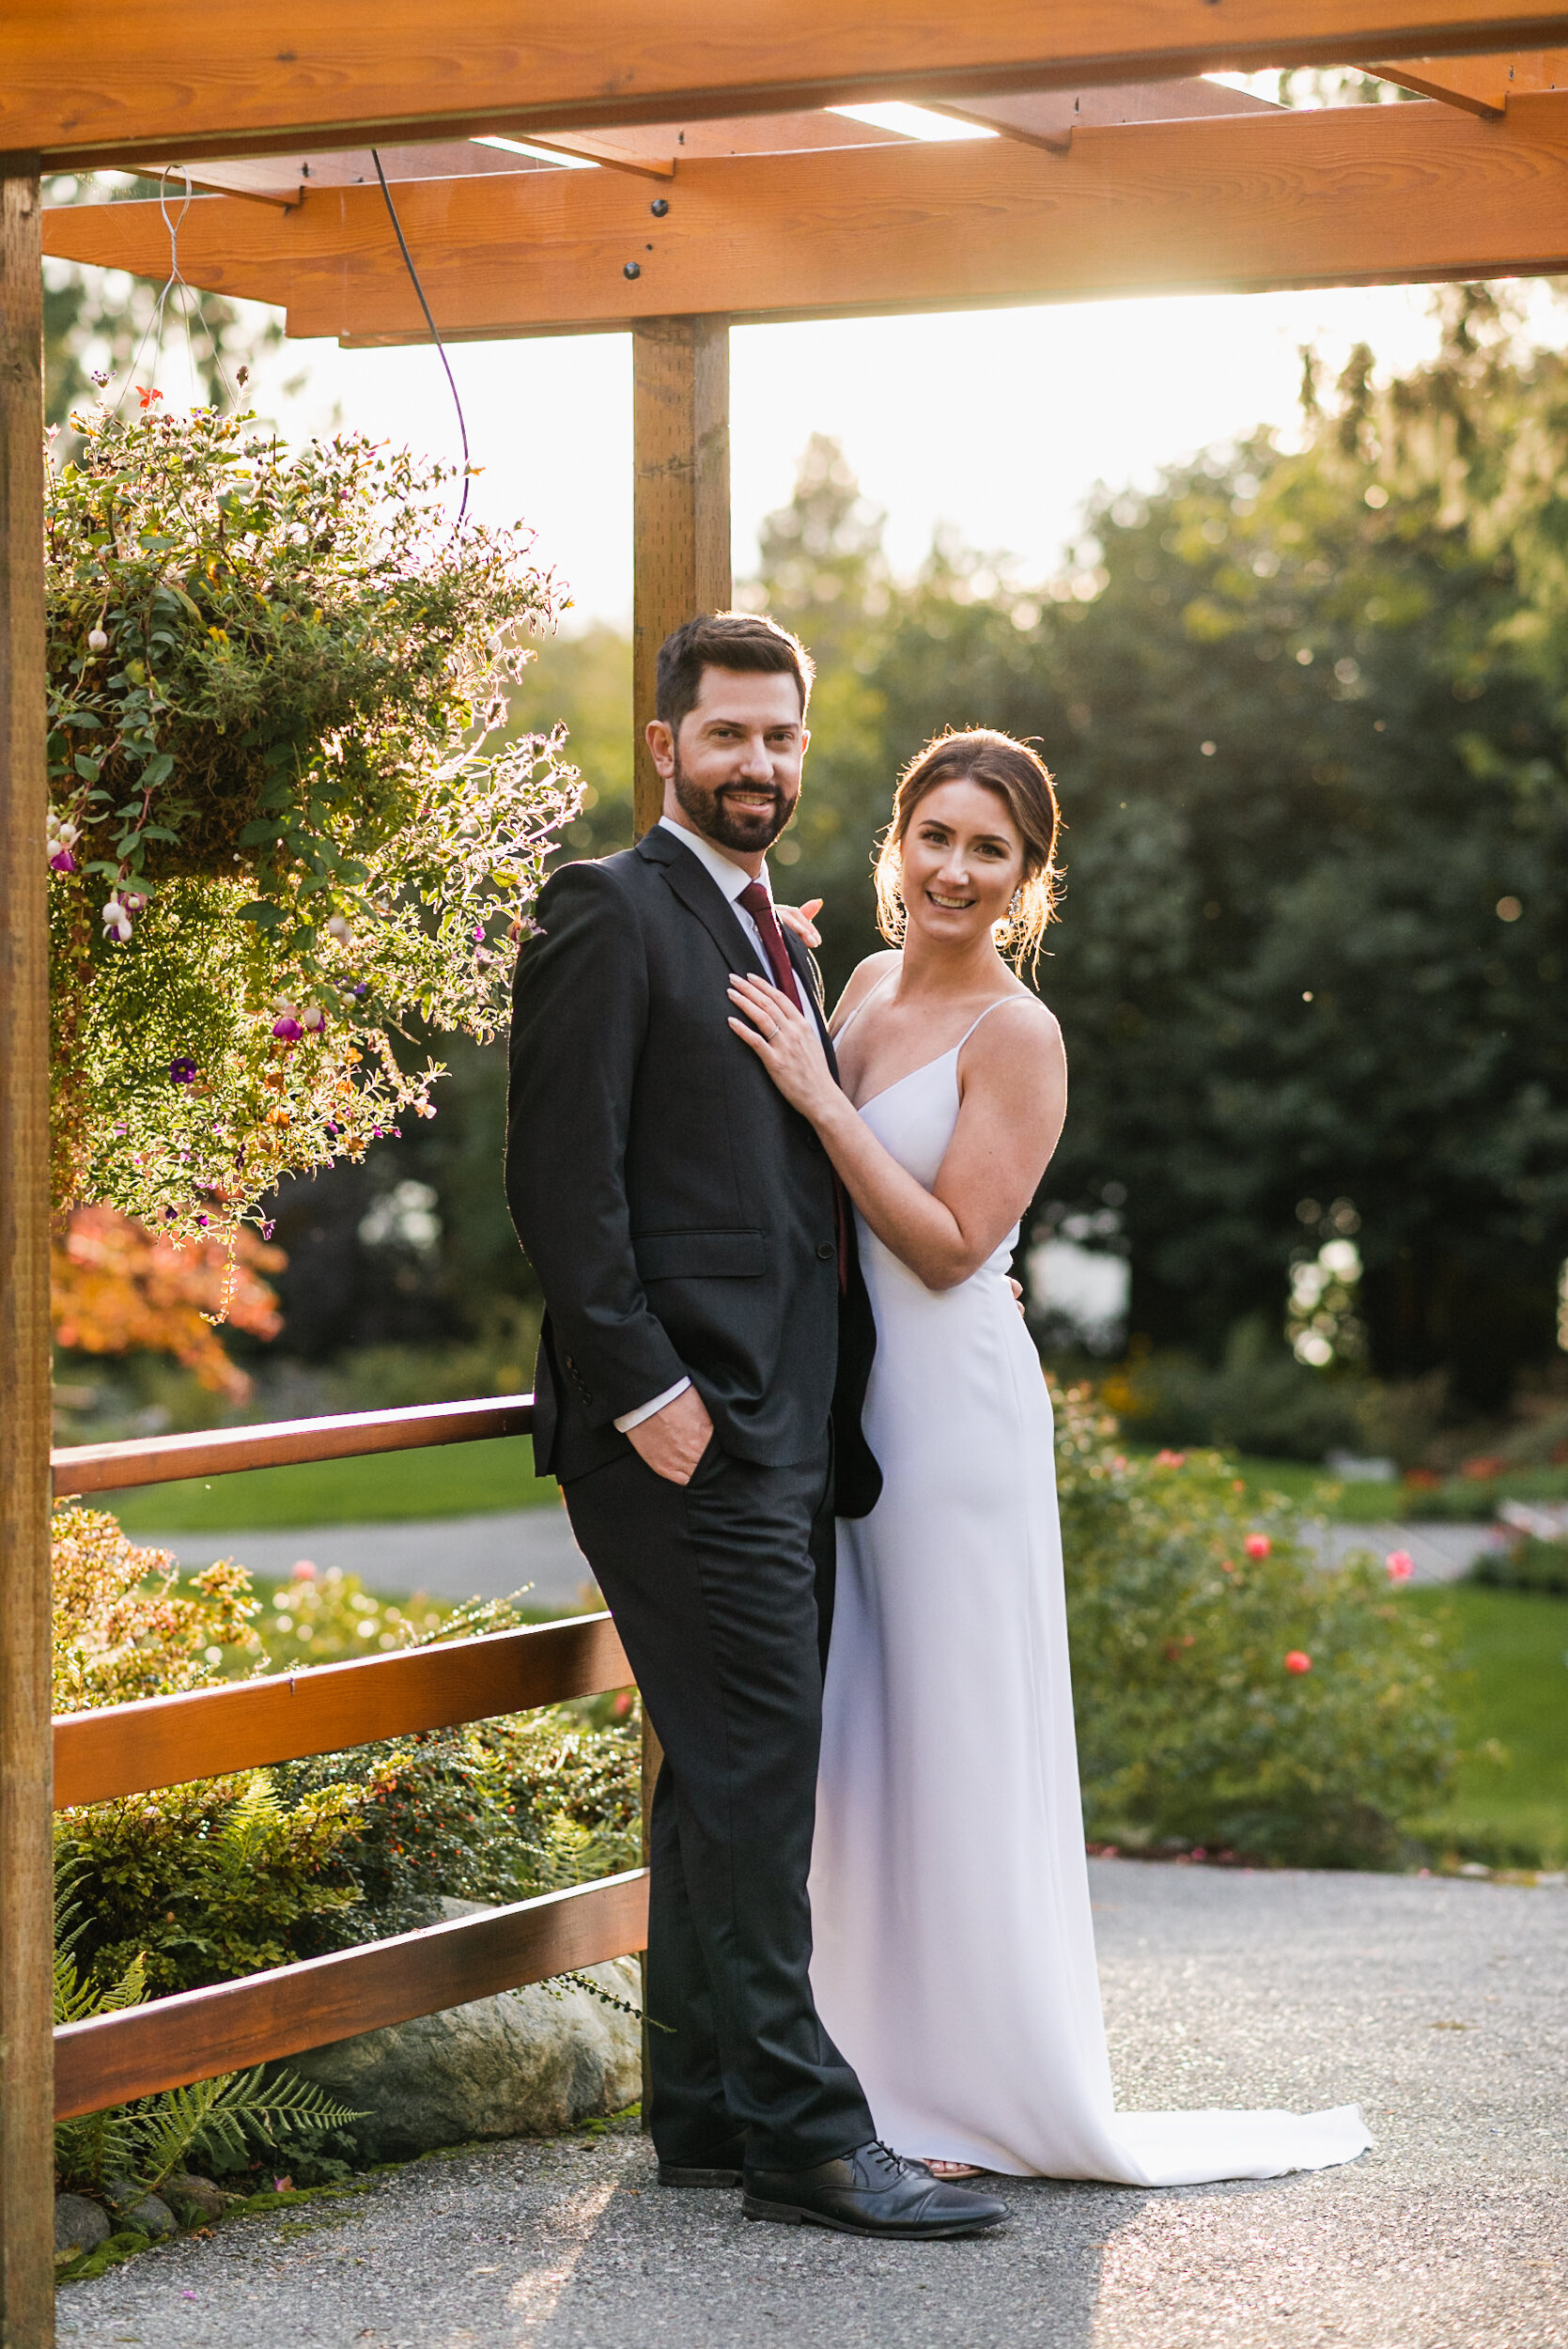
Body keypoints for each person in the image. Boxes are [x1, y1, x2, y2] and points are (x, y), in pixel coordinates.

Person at [728, 725, 1373, 2186]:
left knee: (954, 1731)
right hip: (848, 1405)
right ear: (896, 848)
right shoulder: (871, 982)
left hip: (950, 1421)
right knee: (864, 1740)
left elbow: (957, 1247)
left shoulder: (1017, 1034)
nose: (955, 869)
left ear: (1030, 880)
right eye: (934, 837)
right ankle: (867, 2071)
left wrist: (824, 1102)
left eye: (989, 850)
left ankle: (975, 2091)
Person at [505, 615, 1007, 2237]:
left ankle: (709, 2105)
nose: (758, 767)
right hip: (684, 1429)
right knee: (754, 1773)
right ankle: (807, 2135)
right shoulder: (605, 909)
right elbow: (561, 1184)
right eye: (726, 737)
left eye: (780, 740)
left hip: (788, 1426)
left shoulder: (771, 936)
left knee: (716, 1773)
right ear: (664, 743)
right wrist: (645, 1393)